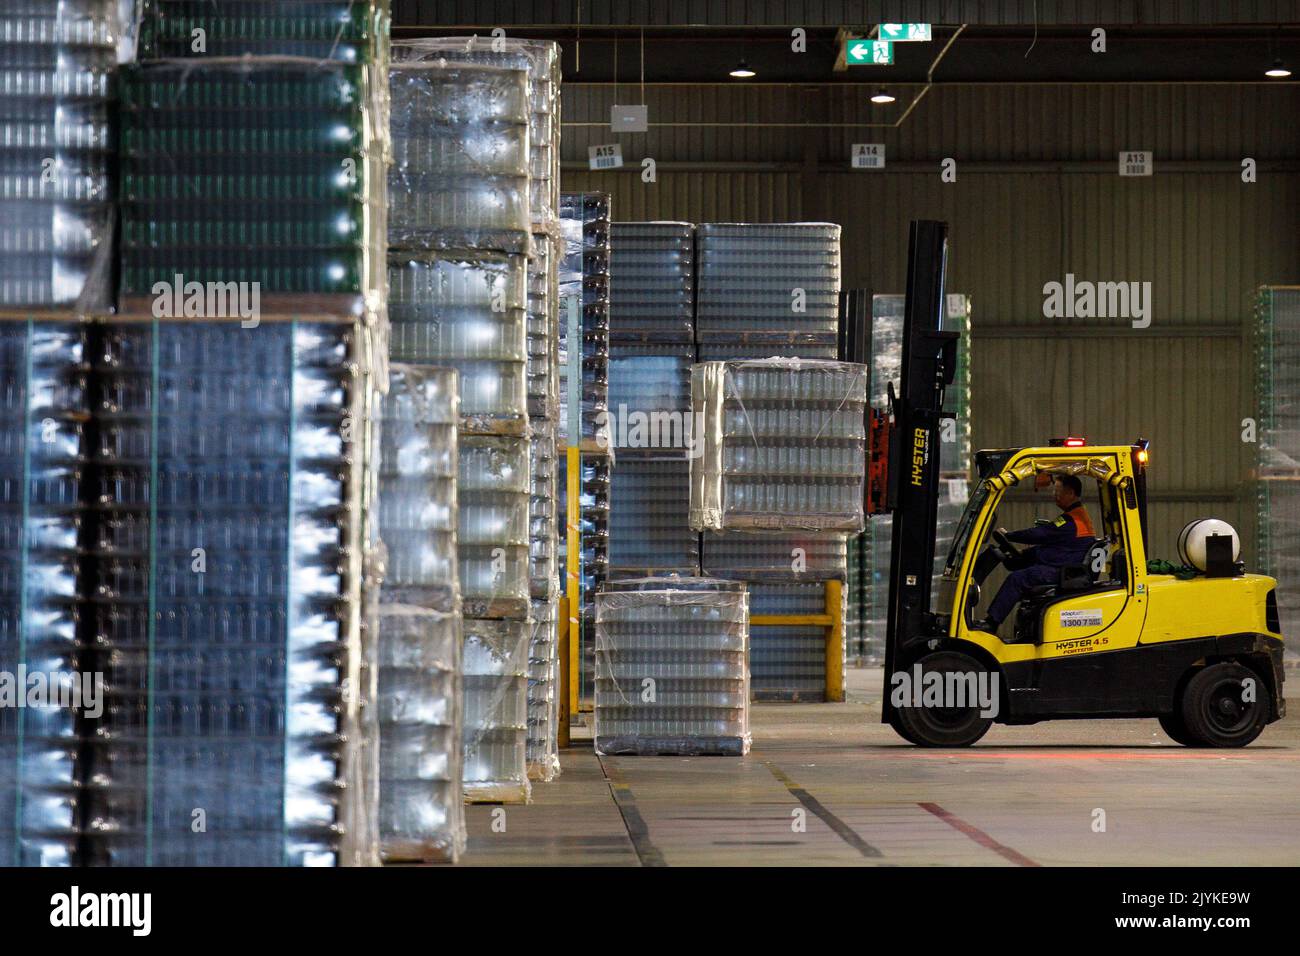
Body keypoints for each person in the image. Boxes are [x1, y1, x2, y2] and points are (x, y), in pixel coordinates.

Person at [973, 474, 1096, 635]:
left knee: (1017, 579)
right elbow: (1050, 543)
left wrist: (1010, 535)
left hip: (1062, 572)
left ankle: (991, 623)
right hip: (1063, 566)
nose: (1054, 495)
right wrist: (1022, 555)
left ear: (1071, 493)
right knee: (1027, 562)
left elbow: (1041, 534)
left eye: (1057, 491)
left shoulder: (1072, 521)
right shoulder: (1075, 516)